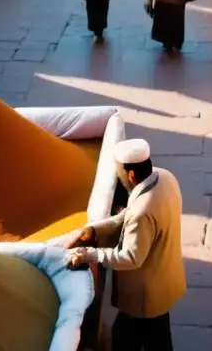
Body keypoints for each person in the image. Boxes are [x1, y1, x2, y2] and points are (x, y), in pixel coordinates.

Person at [64, 138, 185, 351]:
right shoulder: (166, 178)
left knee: (124, 340)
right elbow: (128, 216)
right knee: (158, 338)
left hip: (144, 296)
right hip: (164, 283)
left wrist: (89, 254)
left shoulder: (143, 213)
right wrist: (94, 230)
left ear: (130, 174)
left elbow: (130, 257)